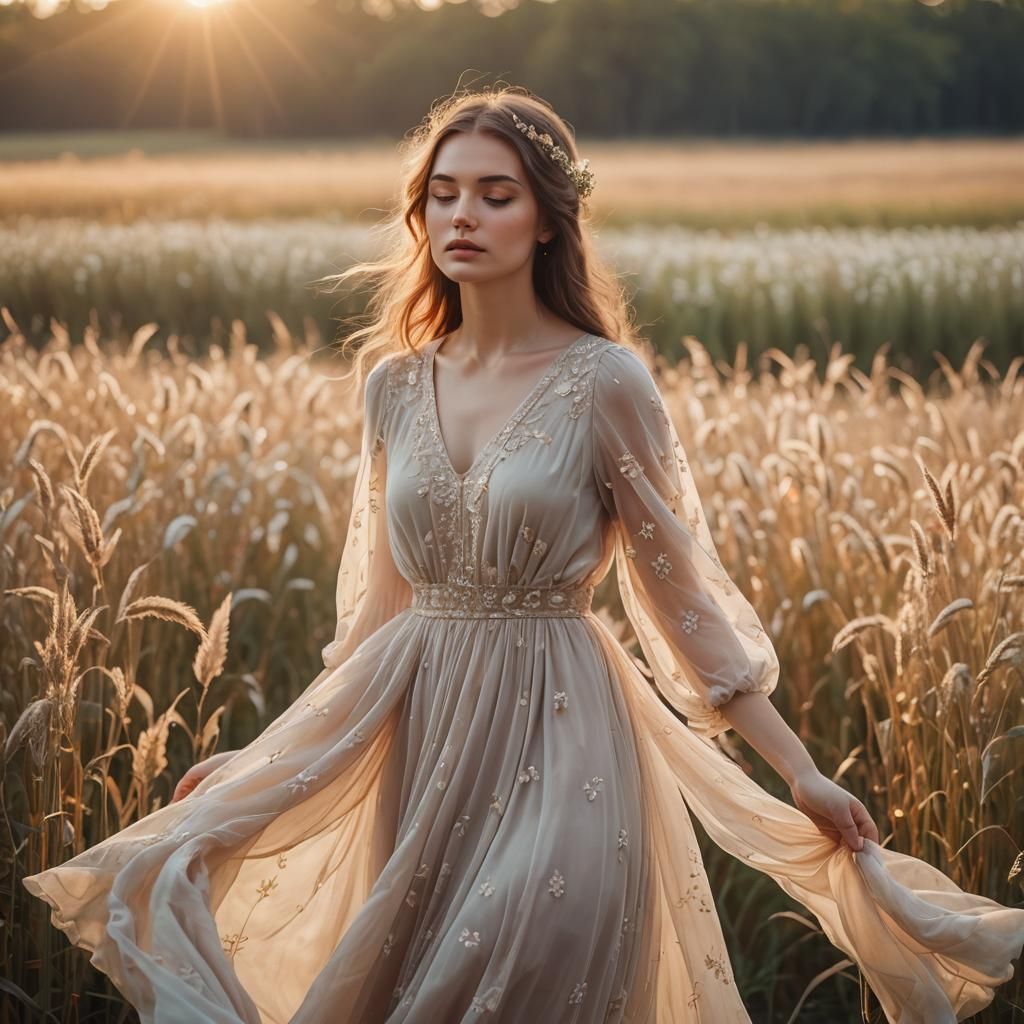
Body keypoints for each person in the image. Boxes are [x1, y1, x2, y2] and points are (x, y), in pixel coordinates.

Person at [23, 86, 1024, 1024]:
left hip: (569, 735)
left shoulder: (605, 381)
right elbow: (371, 621)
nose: (462, 215)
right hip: (421, 732)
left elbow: (682, 602)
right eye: (441, 194)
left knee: (526, 951)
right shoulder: (392, 386)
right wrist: (263, 757)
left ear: (547, 218)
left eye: (494, 195)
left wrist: (799, 769)